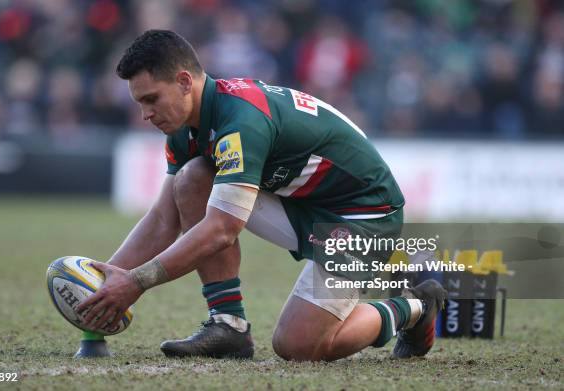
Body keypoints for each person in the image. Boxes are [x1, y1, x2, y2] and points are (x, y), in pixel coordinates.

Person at [75, 30, 446, 361]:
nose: (145, 114)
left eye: (152, 99)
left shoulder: (241, 120)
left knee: (300, 347)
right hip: (304, 203)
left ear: (185, 81)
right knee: (190, 180)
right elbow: (162, 219)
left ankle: (414, 305)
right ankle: (228, 326)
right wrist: (103, 288)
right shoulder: (185, 126)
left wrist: (136, 281)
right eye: (140, 102)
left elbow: (222, 229)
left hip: (364, 217)